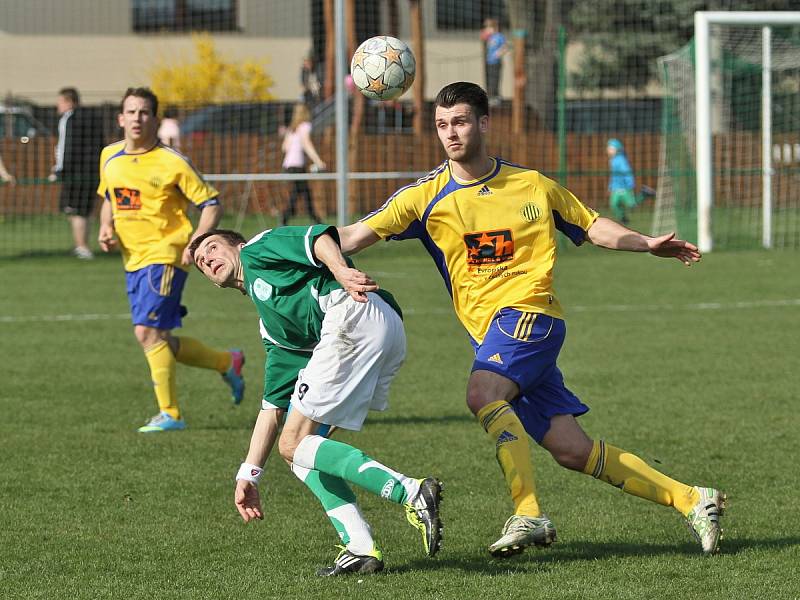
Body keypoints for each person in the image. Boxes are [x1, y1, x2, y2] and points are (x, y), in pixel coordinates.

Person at [337, 82, 725, 558]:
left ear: (483, 123)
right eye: (442, 125)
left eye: (460, 121)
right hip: (493, 335)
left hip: (529, 315)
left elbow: (591, 224)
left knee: (482, 393)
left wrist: (643, 242)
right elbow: (353, 235)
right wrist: (293, 246)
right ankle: (692, 498)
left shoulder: (533, 185)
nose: (451, 133)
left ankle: (528, 512)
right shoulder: (424, 197)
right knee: (571, 449)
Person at [188, 226, 443, 576]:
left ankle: (410, 492)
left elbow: (318, 240)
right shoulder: (273, 328)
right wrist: (249, 474)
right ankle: (360, 546)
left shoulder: (258, 249)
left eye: (213, 248)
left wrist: (340, 271)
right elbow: (272, 408)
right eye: (201, 262)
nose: (208, 259)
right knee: (302, 453)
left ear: (238, 246)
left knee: (293, 444)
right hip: (379, 328)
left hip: (353, 312)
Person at [97, 87, 245, 433]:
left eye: (144, 112)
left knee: (147, 333)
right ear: (121, 118)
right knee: (159, 338)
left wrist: (196, 241)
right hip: (132, 258)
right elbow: (109, 196)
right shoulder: (109, 156)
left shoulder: (172, 161)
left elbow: (212, 204)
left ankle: (171, 414)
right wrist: (106, 226)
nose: (137, 118)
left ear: (155, 119)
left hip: (166, 255)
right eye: (131, 112)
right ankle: (227, 362)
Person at [52, 87, 105, 259]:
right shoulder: (93, 118)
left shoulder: (68, 119)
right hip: (92, 172)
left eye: (59, 101)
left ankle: (82, 247)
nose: (57, 105)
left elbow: (65, 146)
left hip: (74, 173)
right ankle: (83, 245)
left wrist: (60, 170)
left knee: (75, 210)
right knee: (85, 210)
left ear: (69, 102)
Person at [281, 103, 326, 225]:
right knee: (302, 193)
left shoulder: (292, 129)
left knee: (300, 192)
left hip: (288, 166)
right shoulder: (305, 126)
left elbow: (284, 148)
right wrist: (318, 161)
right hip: (297, 166)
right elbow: (307, 144)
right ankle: (286, 218)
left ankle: (286, 219)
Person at [607, 138, 655, 224]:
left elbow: (627, 171)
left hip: (624, 187)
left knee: (631, 204)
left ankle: (644, 194)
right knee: (614, 204)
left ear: (617, 150)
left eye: (611, 148)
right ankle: (623, 218)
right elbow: (614, 176)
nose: (608, 150)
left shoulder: (621, 160)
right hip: (615, 188)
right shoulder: (612, 160)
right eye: (608, 148)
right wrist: (610, 186)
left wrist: (630, 182)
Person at [483, 19, 508, 106]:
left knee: (495, 79)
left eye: (489, 27)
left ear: (494, 27)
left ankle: (495, 97)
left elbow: (505, 47)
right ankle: (491, 96)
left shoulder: (499, 36)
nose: (487, 29)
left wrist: (499, 53)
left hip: (496, 62)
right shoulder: (490, 37)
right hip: (489, 62)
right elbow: (483, 36)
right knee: (489, 79)